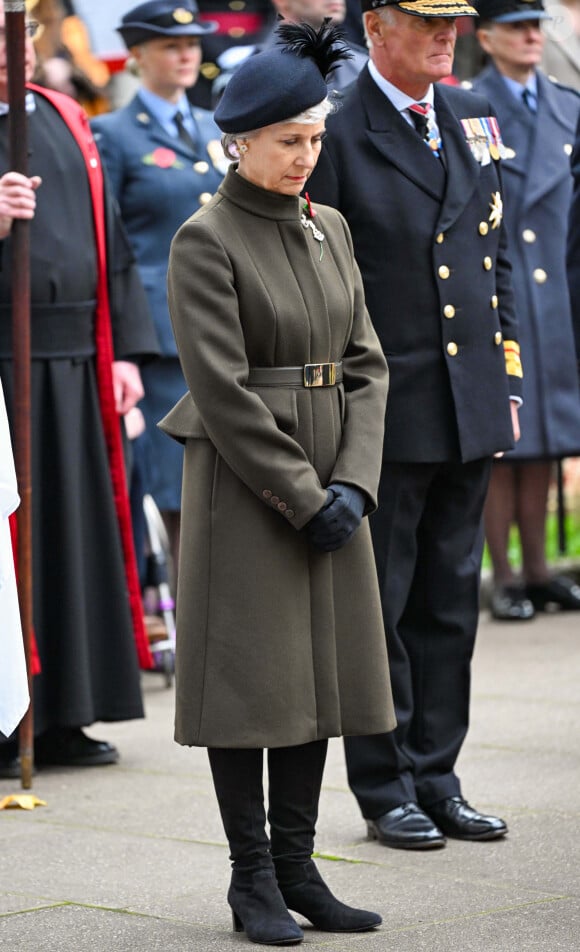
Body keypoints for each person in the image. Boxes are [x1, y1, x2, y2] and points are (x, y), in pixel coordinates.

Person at [158, 20, 395, 944]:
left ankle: (300, 870)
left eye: (315, 139)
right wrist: (305, 496)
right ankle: (251, 877)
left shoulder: (329, 226)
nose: (306, 157)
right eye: (288, 141)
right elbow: (220, 390)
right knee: (253, 685)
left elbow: (368, 362)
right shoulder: (204, 238)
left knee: (317, 683)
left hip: (337, 480)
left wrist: (357, 486)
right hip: (250, 489)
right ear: (240, 142)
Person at [307, 0, 522, 849]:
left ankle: (440, 775)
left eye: (454, 24)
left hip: (467, 399)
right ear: (375, 30)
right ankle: (385, 784)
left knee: (449, 606)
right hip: (385, 408)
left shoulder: (469, 113)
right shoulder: (340, 131)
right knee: (382, 607)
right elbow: (322, 282)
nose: (446, 38)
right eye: (426, 23)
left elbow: (493, 255)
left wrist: (503, 375)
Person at [0, 11, 159, 779]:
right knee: (14, 548)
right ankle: (7, 721)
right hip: (5, 367)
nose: (15, 51)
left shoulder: (62, 110)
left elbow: (112, 237)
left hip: (77, 356)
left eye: (23, 36)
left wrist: (125, 347)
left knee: (73, 545)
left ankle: (65, 712)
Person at [91, 0, 225, 575]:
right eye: (171, 46)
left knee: (222, 473)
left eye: (192, 44)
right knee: (170, 478)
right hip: (158, 332)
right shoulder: (113, 134)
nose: (186, 54)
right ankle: (169, 603)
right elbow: (107, 241)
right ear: (137, 56)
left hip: (220, 320)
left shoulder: (214, 126)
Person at [471, 0, 580, 620]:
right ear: (485, 37)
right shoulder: (471, 105)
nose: (530, 37)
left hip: (556, 292)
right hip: (501, 290)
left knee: (544, 438)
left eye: (536, 26)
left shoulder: (567, 102)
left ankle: (540, 571)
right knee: (504, 440)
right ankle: (505, 575)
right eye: (515, 28)